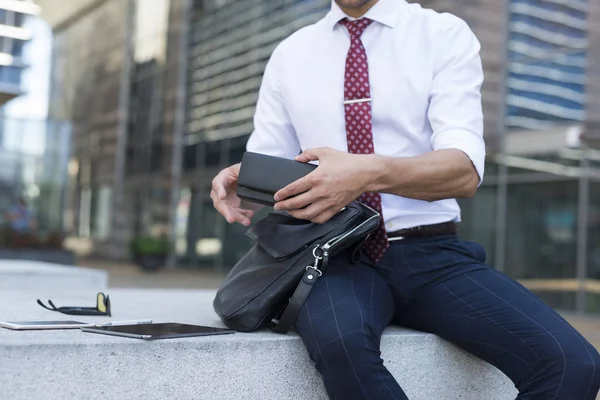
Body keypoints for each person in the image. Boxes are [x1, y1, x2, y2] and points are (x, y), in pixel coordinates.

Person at [211, 0, 600, 399]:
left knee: (573, 364)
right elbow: (273, 167)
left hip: (431, 253)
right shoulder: (291, 52)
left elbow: (463, 170)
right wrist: (244, 182)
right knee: (340, 342)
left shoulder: (442, 34)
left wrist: (366, 172)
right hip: (331, 256)